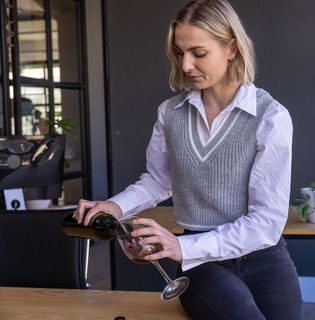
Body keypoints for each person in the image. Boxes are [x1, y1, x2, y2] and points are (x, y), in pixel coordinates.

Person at [73, 0, 302, 318]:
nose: (186, 64)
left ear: (231, 49)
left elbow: (267, 222)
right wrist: (115, 206)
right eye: (179, 53)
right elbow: (158, 180)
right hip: (201, 264)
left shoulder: (271, 116)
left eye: (198, 52)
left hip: (265, 257)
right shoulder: (170, 113)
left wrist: (181, 247)